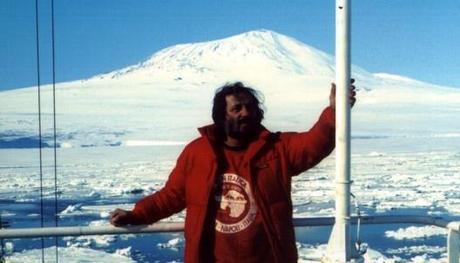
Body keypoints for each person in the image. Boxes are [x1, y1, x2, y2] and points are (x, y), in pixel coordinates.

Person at [110, 81, 356, 262]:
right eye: (236, 108)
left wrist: (335, 112)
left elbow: (314, 143)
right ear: (221, 115)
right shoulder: (197, 153)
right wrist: (136, 214)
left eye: (249, 107)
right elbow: (172, 195)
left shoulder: (277, 148)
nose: (245, 113)